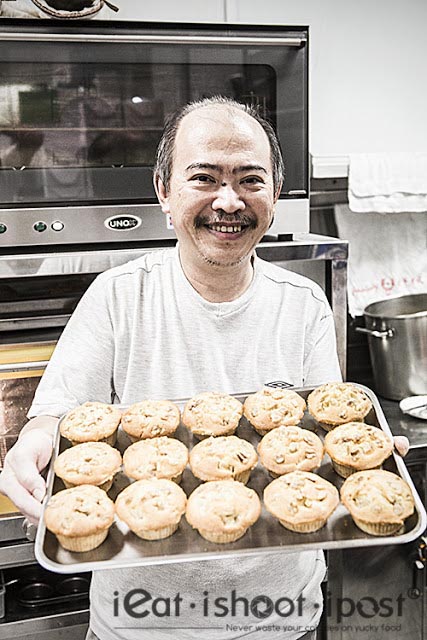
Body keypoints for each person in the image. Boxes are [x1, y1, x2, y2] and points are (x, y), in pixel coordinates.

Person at [0, 96, 408, 640]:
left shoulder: (305, 303)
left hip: (282, 619)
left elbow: (327, 433)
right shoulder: (117, 297)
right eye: (204, 178)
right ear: (164, 191)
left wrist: (369, 462)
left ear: (275, 195)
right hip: (140, 624)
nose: (228, 201)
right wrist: (31, 446)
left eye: (250, 180)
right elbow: (54, 420)